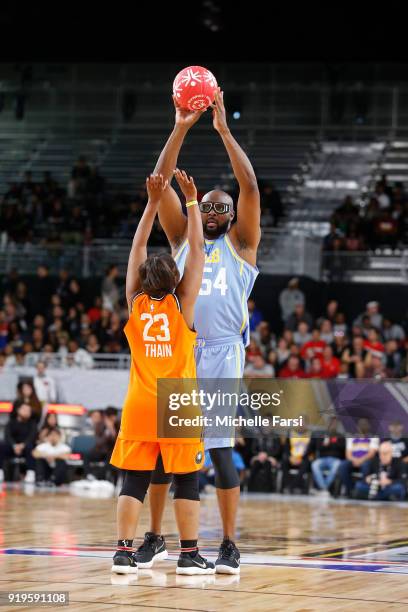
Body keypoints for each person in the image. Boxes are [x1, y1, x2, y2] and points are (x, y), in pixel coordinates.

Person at [141, 88, 260, 574]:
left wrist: (224, 131)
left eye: (220, 208)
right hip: (182, 351)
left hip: (224, 353)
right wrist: (181, 127)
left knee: (220, 450)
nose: (211, 212)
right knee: (166, 452)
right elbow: (160, 181)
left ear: (231, 216)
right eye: (206, 207)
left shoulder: (244, 244)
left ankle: (229, 544)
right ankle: (155, 537)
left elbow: (249, 186)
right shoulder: (180, 237)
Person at [110, 170, 214, 576]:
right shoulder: (182, 304)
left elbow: (137, 246)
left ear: (141, 280)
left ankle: (122, 552)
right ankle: (189, 555)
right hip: (178, 400)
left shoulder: (135, 302)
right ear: (175, 279)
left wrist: (153, 202)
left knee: (133, 480)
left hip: (138, 401)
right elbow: (199, 252)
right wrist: (190, 202)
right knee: (186, 481)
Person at [0, 402, 38, 483]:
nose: (27, 412)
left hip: (26, 448)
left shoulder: (32, 423)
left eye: (29, 410)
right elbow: (8, 436)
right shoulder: (11, 423)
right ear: (18, 410)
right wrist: (14, 445)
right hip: (12, 447)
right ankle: (0, 471)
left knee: (31, 447)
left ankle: (30, 472)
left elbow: (32, 437)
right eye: (24, 409)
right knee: (1, 445)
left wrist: (22, 445)